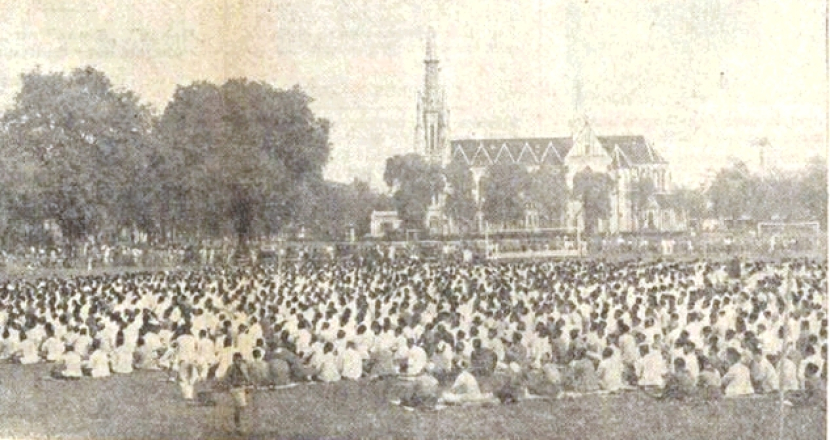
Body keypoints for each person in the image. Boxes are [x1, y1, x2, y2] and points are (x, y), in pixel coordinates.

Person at [223, 352, 252, 433]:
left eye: (239, 360)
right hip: (235, 389)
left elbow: (248, 378)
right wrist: (229, 386)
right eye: (236, 360)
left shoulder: (244, 367)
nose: (238, 362)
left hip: (242, 388)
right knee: (242, 407)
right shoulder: (231, 368)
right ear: (233, 360)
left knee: (238, 409)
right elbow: (227, 379)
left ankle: (238, 426)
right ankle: (241, 427)